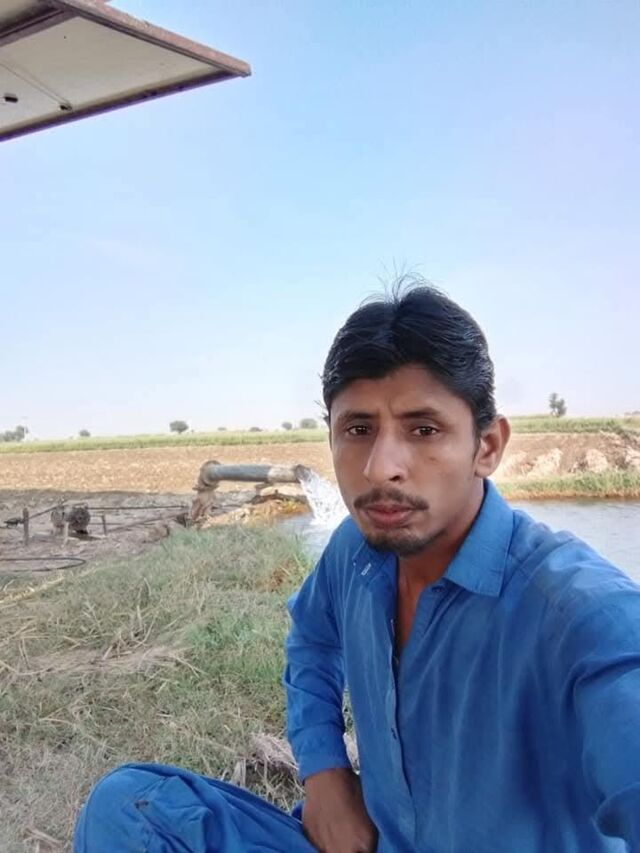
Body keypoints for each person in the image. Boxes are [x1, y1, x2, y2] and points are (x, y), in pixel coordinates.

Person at [74, 281, 640, 852]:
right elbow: (313, 640)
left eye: (423, 429)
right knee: (129, 805)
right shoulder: (357, 553)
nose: (379, 467)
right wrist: (325, 773)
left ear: (487, 446)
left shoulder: (584, 615)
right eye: (358, 429)